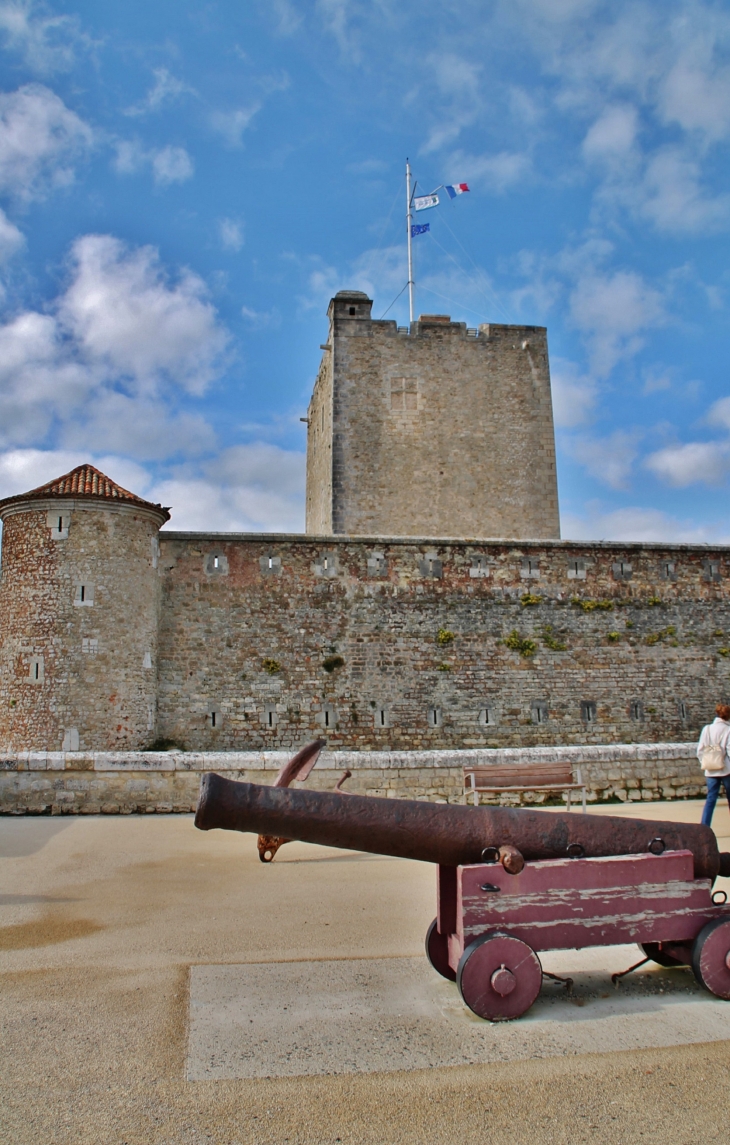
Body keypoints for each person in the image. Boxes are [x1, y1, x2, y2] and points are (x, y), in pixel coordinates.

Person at [697, 703, 730, 826]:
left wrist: (706, 762)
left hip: (711, 770)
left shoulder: (707, 729)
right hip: (726, 769)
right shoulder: (728, 730)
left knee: (710, 799)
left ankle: (705, 825)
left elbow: (700, 750)